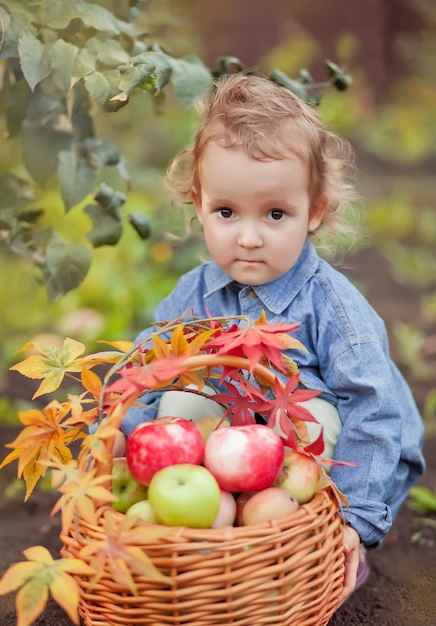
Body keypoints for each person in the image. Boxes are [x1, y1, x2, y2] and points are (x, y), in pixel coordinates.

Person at [114, 73, 425, 605]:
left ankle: (322, 542)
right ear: (198, 203)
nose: (250, 237)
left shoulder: (332, 305)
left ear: (315, 212)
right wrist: (127, 436)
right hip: (232, 457)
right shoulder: (193, 295)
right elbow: (149, 369)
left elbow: (376, 411)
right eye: (227, 212)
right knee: (177, 394)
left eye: (276, 214)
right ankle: (213, 540)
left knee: (315, 418)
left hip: (337, 467)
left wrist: (355, 518)